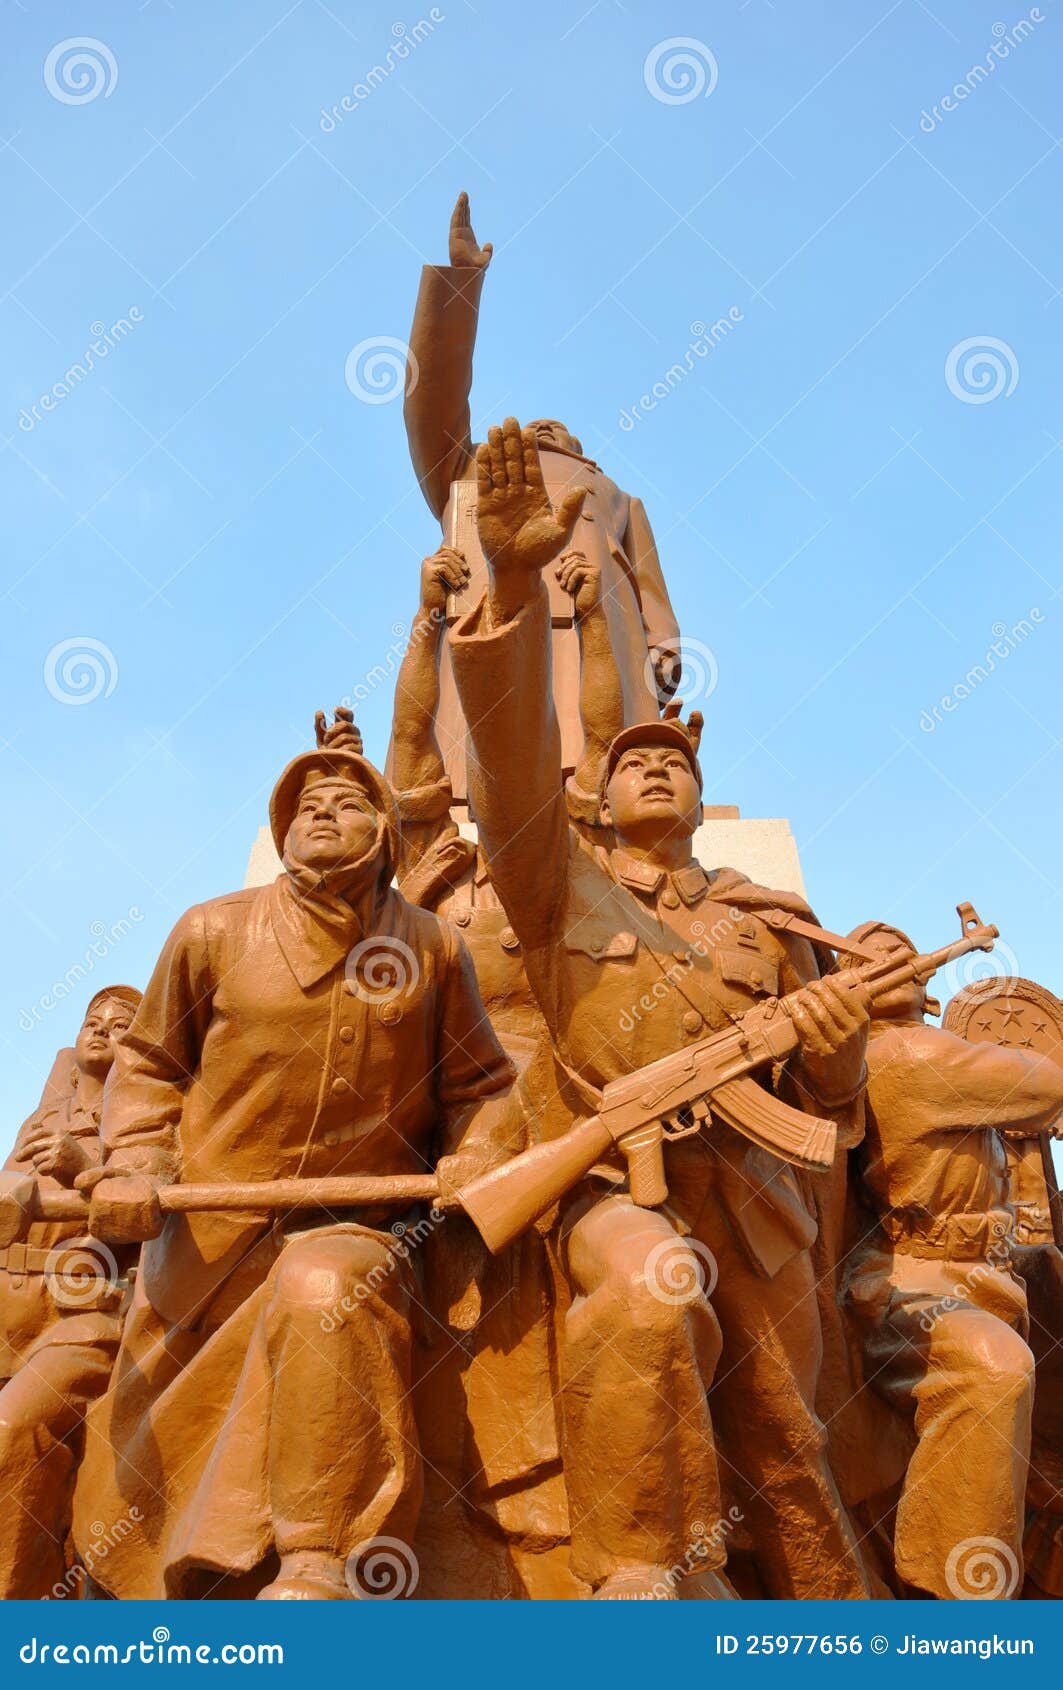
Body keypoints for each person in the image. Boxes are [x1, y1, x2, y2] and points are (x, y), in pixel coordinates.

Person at [445, 415, 874, 1599]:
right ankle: (636, 1584)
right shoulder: (552, 884)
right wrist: (516, 588)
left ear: (695, 792)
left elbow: (832, 1098)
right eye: (630, 759)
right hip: (609, 1187)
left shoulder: (765, 920)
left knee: (791, 1449)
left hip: (759, 1202)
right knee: (646, 1291)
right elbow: (517, 768)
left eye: (672, 763)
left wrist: (834, 1053)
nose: (651, 767)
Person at [69, 722, 517, 1600]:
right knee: (133, 1503)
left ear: (386, 834)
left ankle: (318, 1561)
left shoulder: (430, 945)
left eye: (348, 804)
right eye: (306, 807)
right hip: (205, 1241)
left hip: (356, 1225)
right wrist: (131, 1163)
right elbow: (152, 1066)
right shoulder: (211, 930)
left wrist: (479, 1152)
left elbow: (483, 1086)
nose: (322, 815)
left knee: (324, 1287)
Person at [398, 193, 680, 799]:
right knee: (487, 774)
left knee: (612, 773)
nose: (547, 432)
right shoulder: (475, 473)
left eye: (558, 431)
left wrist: (666, 643)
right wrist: (460, 287)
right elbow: (432, 407)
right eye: (535, 431)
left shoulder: (615, 495)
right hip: (494, 619)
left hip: (600, 630)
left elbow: (651, 584)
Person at [842, 922, 1063, 1599]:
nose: (898, 960)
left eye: (905, 954)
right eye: (872, 956)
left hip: (983, 1270)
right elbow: (1045, 1084)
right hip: (916, 1280)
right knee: (994, 1369)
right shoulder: (906, 1056)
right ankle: (954, 1597)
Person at [0, 985, 141, 1598]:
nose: (101, 1031)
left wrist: (80, 1161)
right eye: (93, 1021)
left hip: (85, 1308)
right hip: (11, 1301)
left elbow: (152, 1196)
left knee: (15, 1427)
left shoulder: (143, 1118)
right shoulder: (44, 1115)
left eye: (120, 1025)